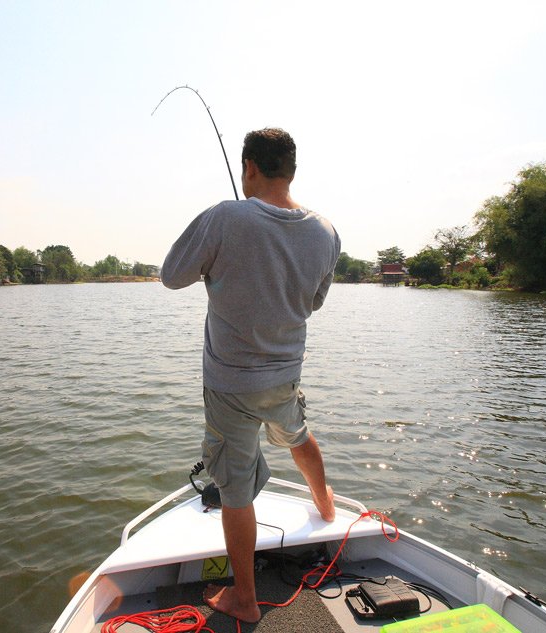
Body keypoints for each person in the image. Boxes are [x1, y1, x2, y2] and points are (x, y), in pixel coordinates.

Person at [160, 127, 340, 623]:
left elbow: (172, 274)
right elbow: (314, 302)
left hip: (231, 386)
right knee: (297, 433)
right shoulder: (326, 231)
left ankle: (245, 598)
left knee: (235, 489)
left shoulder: (225, 216)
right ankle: (325, 507)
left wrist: (220, 260)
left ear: (250, 167)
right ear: (292, 170)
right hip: (284, 378)